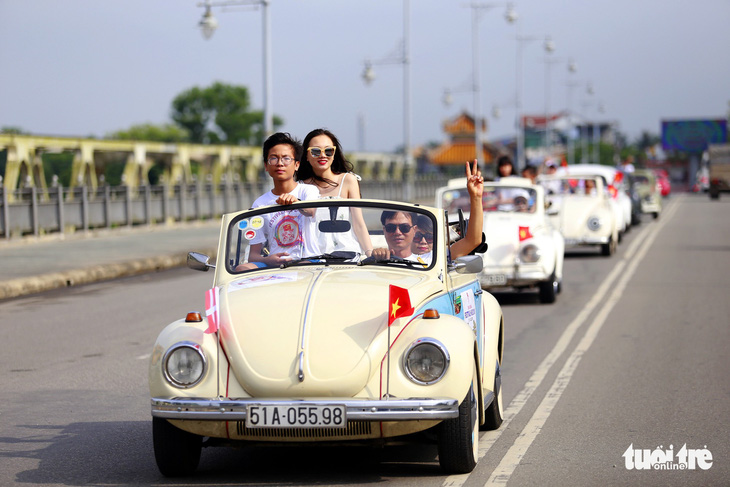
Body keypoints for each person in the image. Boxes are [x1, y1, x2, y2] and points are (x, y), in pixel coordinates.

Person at [371, 160, 483, 262]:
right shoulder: (375, 259)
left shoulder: (433, 260)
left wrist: (476, 197)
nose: (397, 232)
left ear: (413, 230)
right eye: (391, 228)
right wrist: (376, 257)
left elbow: (473, 241)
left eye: (404, 228)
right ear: (384, 230)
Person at [244, 132, 321, 269]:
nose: (280, 163)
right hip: (276, 264)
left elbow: (311, 211)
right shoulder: (259, 204)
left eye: (286, 158)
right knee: (243, 268)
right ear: (266, 166)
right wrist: (268, 260)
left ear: (296, 165)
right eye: (273, 158)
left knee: (302, 265)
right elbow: (253, 255)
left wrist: (296, 202)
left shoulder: (308, 191)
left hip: (308, 261)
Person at [298, 128, 374, 257]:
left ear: (334, 154)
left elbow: (358, 223)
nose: (323, 155)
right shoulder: (300, 186)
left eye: (328, 151)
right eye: (316, 151)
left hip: (346, 254)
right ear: (306, 155)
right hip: (311, 257)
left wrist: (370, 254)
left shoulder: (348, 180)